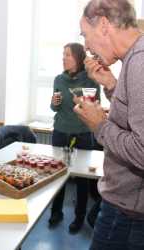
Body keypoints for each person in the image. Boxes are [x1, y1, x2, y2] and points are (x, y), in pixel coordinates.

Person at [75, 0, 144, 249]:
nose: (86, 46)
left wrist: (99, 125)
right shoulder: (133, 58)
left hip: (127, 214)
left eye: (86, 35)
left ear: (104, 25)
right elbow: (134, 117)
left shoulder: (140, 62)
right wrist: (112, 85)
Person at [49, 42, 101, 233]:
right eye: (63, 54)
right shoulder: (58, 80)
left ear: (78, 58)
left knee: (82, 179)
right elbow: (55, 107)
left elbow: (97, 108)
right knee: (57, 175)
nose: (64, 58)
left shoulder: (91, 81)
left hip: (83, 134)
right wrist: (54, 103)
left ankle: (79, 218)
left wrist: (84, 104)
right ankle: (56, 212)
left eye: (68, 55)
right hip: (60, 132)